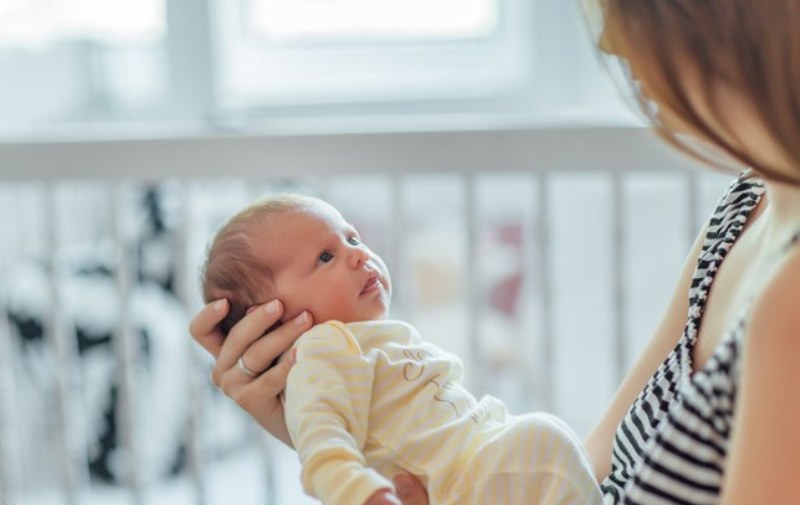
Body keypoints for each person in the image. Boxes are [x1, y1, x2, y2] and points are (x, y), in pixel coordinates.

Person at [190, 0, 800, 502]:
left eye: (627, 6)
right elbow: (588, 475)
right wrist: (362, 437)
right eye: (324, 256)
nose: (611, 39)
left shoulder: (789, 299)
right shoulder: (743, 208)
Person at [199, 194, 602, 505]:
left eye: (352, 237)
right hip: (457, 483)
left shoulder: (369, 339)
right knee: (543, 439)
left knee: (546, 441)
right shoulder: (323, 350)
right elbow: (321, 440)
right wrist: (358, 491)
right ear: (272, 317)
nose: (359, 254)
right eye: (325, 257)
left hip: (468, 469)